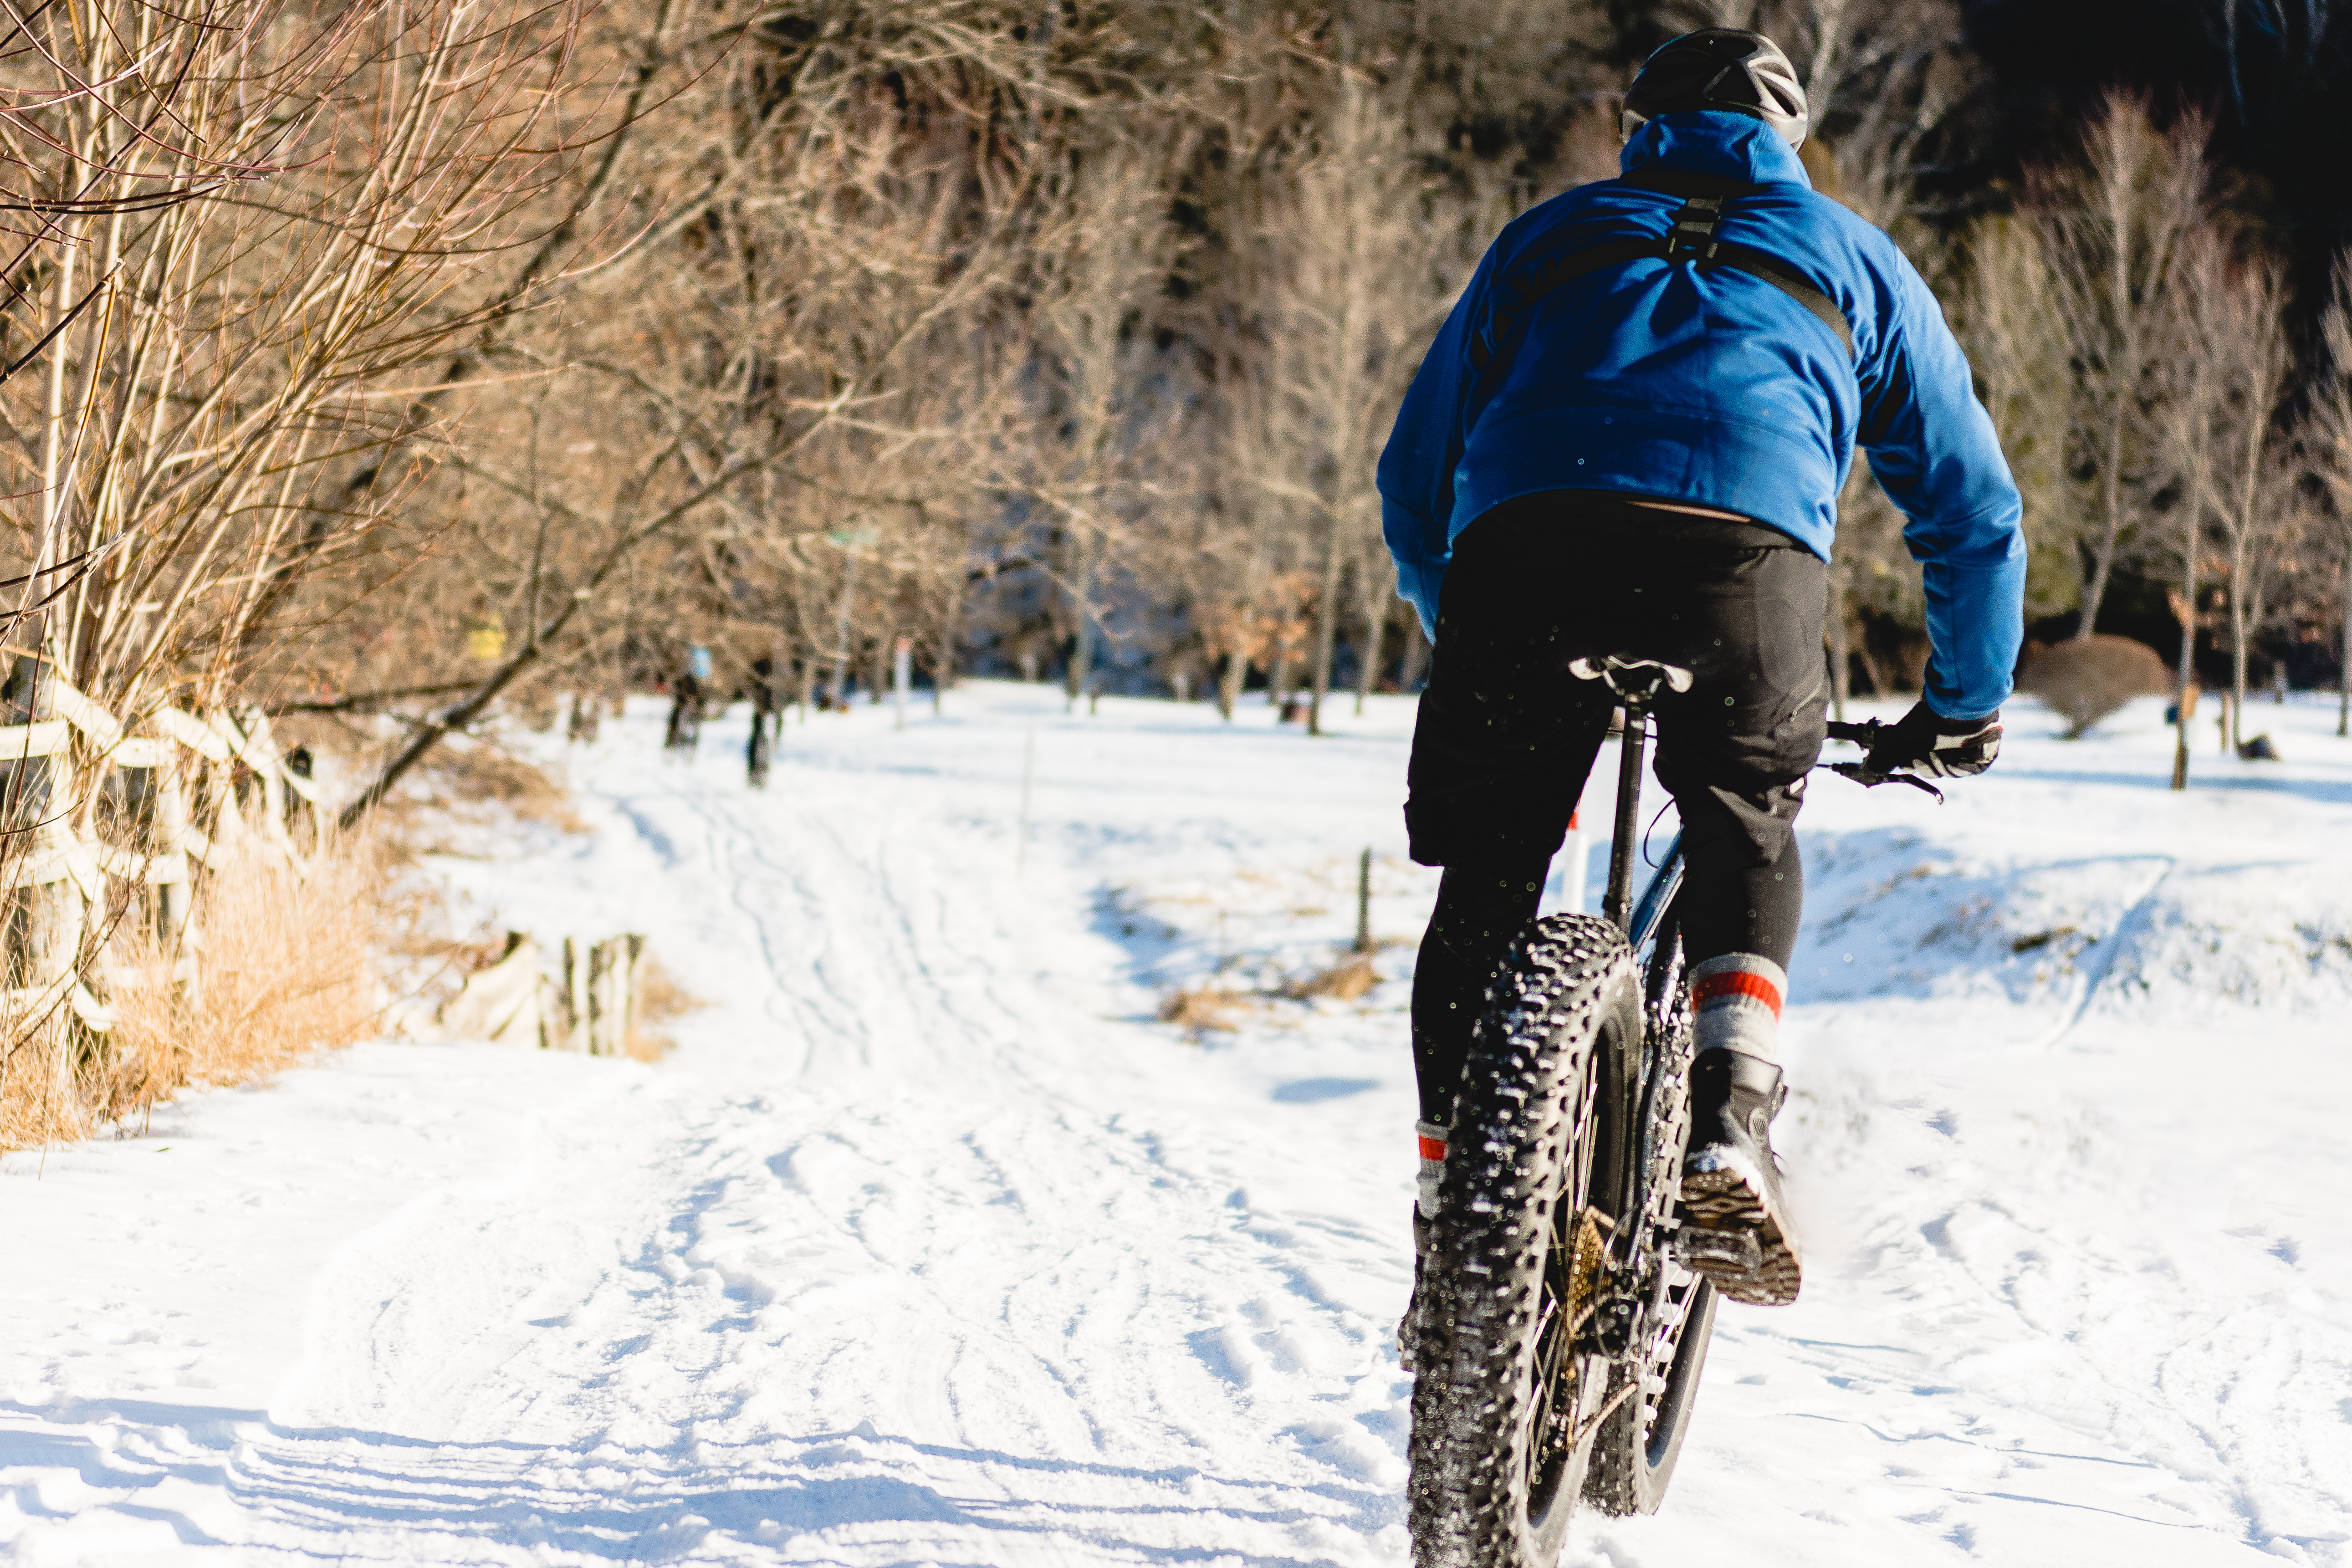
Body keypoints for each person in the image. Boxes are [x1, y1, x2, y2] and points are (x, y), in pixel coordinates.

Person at [1379, 28, 2022, 1310]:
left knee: (1490, 873)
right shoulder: (1856, 258)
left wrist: (1470, 624)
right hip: (1745, 572)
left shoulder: (1552, 237)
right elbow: (1970, 510)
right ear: (1787, 138)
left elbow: (1415, 476)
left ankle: (1455, 1191)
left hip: (1526, 553)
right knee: (1739, 826)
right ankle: (1727, 1117)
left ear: (1637, 128)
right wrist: (1962, 701)